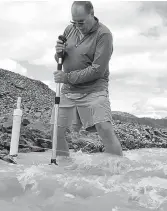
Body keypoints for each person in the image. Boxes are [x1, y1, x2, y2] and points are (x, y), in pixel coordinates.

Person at [50, 1, 123, 157]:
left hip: (94, 90)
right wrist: (58, 53)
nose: (77, 26)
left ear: (92, 14)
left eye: (81, 22)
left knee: (104, 129)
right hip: (69, 90)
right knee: (56, 130)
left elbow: (97, 70)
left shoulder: (104, 34)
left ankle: (117, 174)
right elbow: (61, 59)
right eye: (74, 22)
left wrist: (66, 77)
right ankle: (63, 168)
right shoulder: (70, 30)